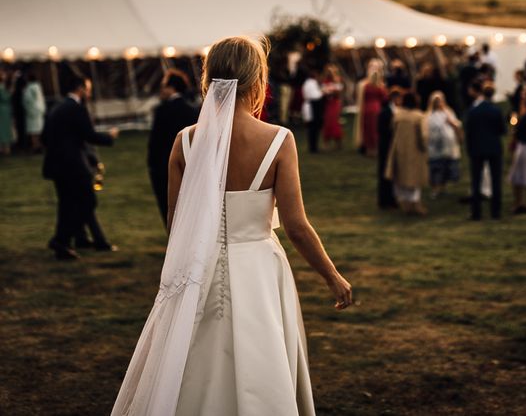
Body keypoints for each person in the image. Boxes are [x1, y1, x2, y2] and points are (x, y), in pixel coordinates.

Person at [111, 36, 352, 416]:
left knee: (194, 366)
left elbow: (177, 226)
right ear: (258, 82)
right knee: (264, 360)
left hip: (198, 271)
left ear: (209, 82)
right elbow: (296, 226)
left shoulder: (184, 143)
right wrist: (332, 276)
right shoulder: (278, 140)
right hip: (259, 270)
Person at [41, 75, 118, 260]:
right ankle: (61, 239)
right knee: (87, 202)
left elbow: (44, 137)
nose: (89, 93)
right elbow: (89, 135)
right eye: (88, 89)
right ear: (81, 88)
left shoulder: (56, 107)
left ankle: (71, 242)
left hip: (55, 165)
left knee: (66, 205)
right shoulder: (77, 109)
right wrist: (110, 137)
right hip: (73, 166)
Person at [147, 69, 199, 228]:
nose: (161, 90)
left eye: (163, 86)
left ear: (172, 88)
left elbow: (155, 143)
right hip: (190, 164)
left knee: (168, 204)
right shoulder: (193, 110)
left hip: (164, 166)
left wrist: (152, 165)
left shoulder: (162, 111)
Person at [464, 81, 506, 220]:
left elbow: (468, 132)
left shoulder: (472, 111)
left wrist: (469, 148)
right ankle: (496, 212)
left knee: (476, 181)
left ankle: (476, 213)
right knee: (496, 181)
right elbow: (502, 130)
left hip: (477, 149)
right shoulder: (495, 110)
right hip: (494, 148)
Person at [385, 91, 428, 215]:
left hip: (398, 148)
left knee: (401, 176)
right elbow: (423, 135)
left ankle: (404, 202)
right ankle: (415, 203)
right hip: (414, 150)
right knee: (414, 178)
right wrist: (424, 147)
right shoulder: (419, 116)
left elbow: (392, 129)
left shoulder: (398, 115)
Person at [425, 91, 462, 198]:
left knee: (446, 167)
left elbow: (457, 124)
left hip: (448, 145)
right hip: (435, 146)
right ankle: (435, 188)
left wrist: (452, 124)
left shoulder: (448, 112)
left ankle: (443, 187)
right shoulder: (429, 115)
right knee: (436, 168)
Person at [376, 88, 401, 209]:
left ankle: (392, 198)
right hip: (386, 146)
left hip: (393, 145)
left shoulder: (398, 111)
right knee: (384, 173)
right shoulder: (385, 112)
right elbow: (381, 129)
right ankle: (384, 200)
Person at [359, 69, 387, 156]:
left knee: (367, 129)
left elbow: (362, 97)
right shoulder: (380, 87)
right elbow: (385, 98)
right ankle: (375, 149)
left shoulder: (366, 86)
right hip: (376, 109)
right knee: (375, 129)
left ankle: (368, 149)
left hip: (367, 109)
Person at [301, 68, 324, 154]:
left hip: (311, 106)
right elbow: (316, 96)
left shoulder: (307, 83)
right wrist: (322, 92)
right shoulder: (311, 83)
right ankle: (313, 147)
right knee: (313, 128)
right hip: (313, 107)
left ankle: (313, 146)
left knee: (312, 128)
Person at [321, 64, 344, 149]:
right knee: (328, 123)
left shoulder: (338, 80)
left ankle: (338, 142)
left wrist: (332, 90)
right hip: (328, 104)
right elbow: (323, 92)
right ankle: (327, 143)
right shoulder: (325, 81)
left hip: (335, 104)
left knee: (335, 122)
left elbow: (339, 93)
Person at [22, 73, 46, 152]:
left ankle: (36, 146)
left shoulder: (29, 88)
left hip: (32, 111)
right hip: (39, 110)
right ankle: (38, 145)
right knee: (38, 129)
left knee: (33, 130)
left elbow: (27, 99)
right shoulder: (38, 87)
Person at [0, 71, 12, 155]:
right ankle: (5, 148)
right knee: (4, 129)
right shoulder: (1, 88)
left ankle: (3, 148)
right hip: (3, 110)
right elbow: (6, 97)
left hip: (3, 110)